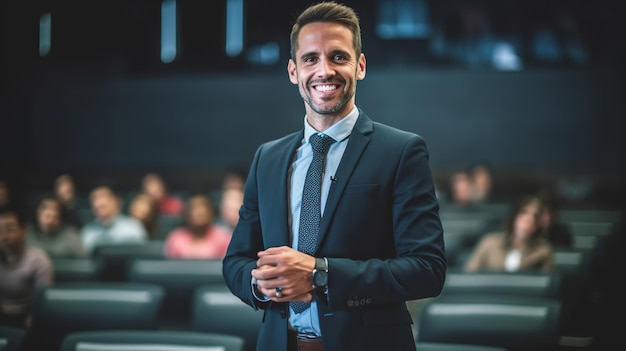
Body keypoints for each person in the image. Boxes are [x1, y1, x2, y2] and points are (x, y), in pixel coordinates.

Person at [222, 2, 446, 350]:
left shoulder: (401, 151)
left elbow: (427, 270)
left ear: (360, 66)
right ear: (293, 71)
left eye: (338, 57)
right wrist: (260, 285)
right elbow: (236, 260)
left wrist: (319, 274)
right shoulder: (268, 157)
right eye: (311, 58)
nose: (324, 70)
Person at [464, 195, 554, 273]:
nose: (528, 220)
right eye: (524, 213)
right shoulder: (489, 243)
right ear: (514, 217)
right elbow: (469, 276)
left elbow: (545, 285)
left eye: (535, 216)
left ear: (538, 224)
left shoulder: (543, 251)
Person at [0, 205, 54, 329]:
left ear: (23, 229)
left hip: (27, 320)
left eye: (9, 229)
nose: (4, 236)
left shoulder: (38, 260)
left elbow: (43, 303)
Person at [80, 184, 148, 255]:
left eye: (103, 197)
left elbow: (141, 257)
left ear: (117, 201)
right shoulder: (87, 232)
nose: (97, 203)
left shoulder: (134, 227)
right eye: (94, 198)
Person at [163, 194, 231, 259]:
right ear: (186, 214)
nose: (198, 212)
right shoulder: (176, 238)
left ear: (211, 212)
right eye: (193, 208)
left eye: (203, 207)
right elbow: (169, 267)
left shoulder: (223, 237)